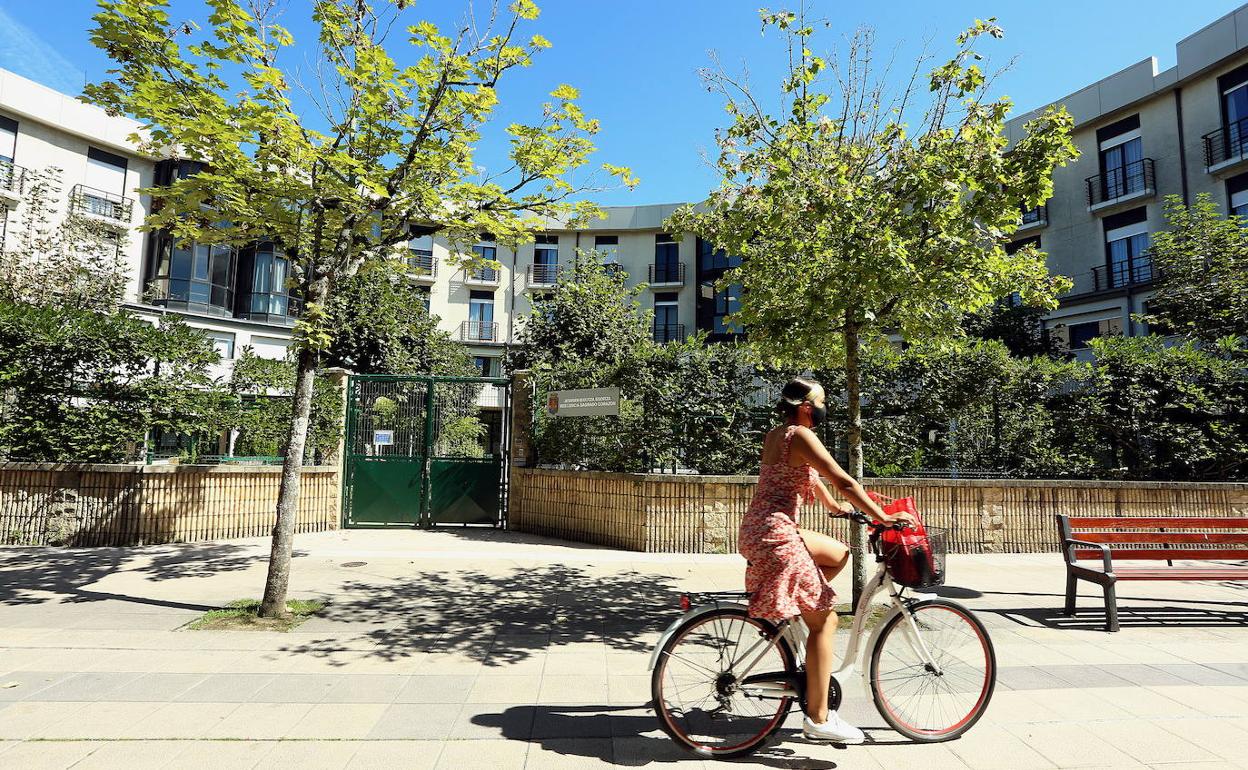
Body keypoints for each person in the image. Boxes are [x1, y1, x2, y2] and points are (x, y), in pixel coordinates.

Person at [739, 377, 913, 744]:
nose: (824, 408)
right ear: (806, 406)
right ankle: (818, 719)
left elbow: (808, 476)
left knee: (839, 553)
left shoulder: (777, 434)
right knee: (827, 620)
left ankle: (799, 617)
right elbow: (842, 479)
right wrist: (881, 516)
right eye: (822, 401)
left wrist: (837, 510)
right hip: (777, 535)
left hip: (759, 528)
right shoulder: (801, 435)